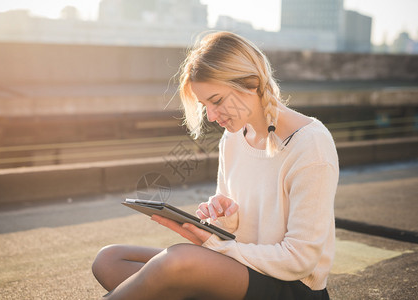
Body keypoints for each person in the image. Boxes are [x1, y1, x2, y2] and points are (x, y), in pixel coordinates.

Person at [91, 31, 339, 300]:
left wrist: (215, 246)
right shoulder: (233, 137)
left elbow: (299, 260)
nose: (210, 115)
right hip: (239, 269)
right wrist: (223, 220)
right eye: (205, 104)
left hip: (290, 287)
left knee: (177, 260)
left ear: (251, 83)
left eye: (217, 101)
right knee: (109, 259)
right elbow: (233, 232)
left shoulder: (310, 145)